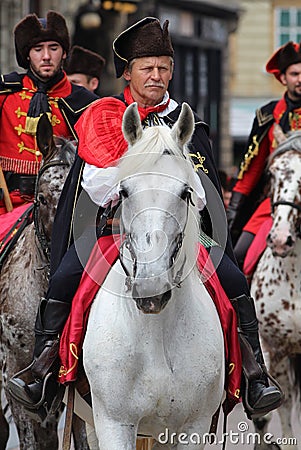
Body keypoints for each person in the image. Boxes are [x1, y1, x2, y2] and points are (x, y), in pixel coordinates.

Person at [8, 17, 282, 422]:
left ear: (172, 71)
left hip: (182, 235)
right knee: (66, 277)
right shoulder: (106, 117)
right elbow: (96, 188)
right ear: (128, 73)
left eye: (163, 67)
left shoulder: (188, 124)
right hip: (115, 232)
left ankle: (257, 376)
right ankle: (43, 370)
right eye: (146, 68)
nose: (156, 75)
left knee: (234, 279)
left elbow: (205, 197)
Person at [0, 11, 98, 217]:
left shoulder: (84, 103)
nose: (46, 56)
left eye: (53, 48)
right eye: (38, 49)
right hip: (6, 206)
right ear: (27, 55)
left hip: (60, 211)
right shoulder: (5, 93)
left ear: (64, 53)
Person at [227, 40, 301, 269]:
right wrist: (232, 213)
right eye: (295, 73)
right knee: (240, 254)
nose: (300, 79)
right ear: (282, 78)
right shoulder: (268, 115)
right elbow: (253, 169)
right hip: (276, 202)